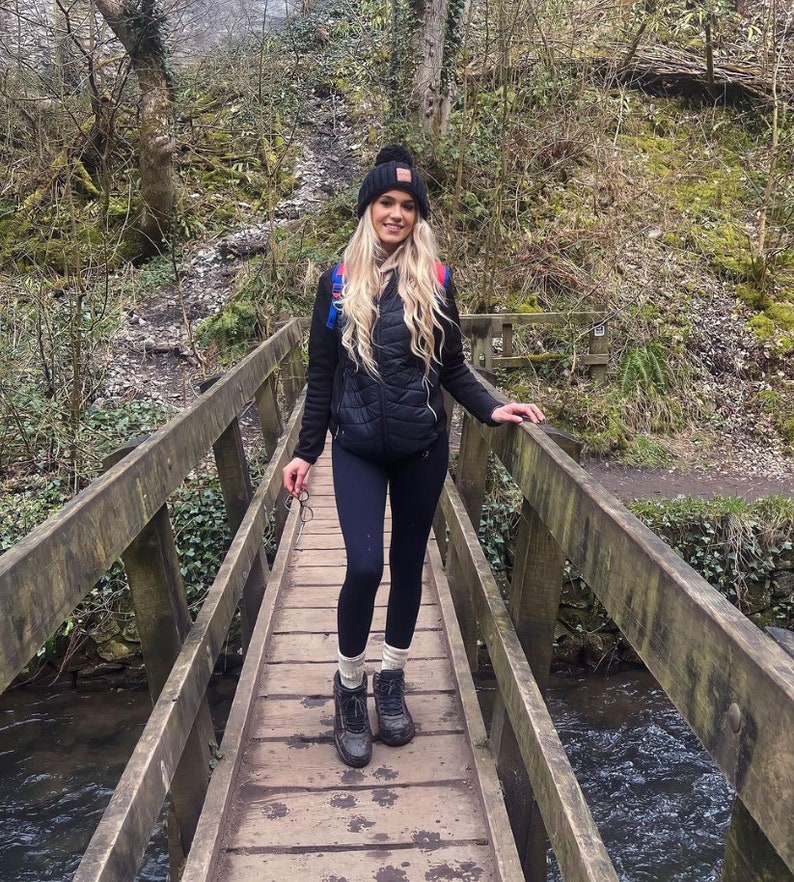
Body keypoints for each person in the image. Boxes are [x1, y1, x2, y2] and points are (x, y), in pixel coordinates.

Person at [282, 144, 545, 768]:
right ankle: (349, 688)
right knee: (366, 567)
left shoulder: (438, 281)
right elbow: (321, 378)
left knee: (407, 567)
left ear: (418, 215)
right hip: (357, 451)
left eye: (407, 205)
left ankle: (391, 680)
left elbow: (453, 367)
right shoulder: (338, 284)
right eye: (385, 203)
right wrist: (304, 452)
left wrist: (493, 408)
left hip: (421, 449)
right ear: (368, 209)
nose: (396, 213)